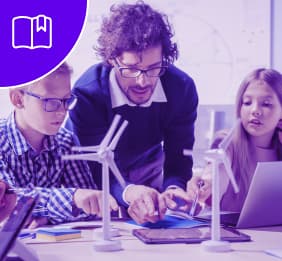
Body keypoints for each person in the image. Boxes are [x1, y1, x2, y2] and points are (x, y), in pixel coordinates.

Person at [66, 1, 198, 224]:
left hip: (148, 165)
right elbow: (96, 168)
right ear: (111, 59)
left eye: (153, 68)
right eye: (131, 69)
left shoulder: (181, 88)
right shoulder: (87, 95)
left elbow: (179, 157)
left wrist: (174, 188)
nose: (143, 81)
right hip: (92, 172)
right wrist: (129, 192)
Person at [0, 63, 118, 228]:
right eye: (51, 101)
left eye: (66, 100)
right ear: (18, 99)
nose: (62, 111)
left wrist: (48, 217)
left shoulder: (65, 141)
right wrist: (72, 198)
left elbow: (91, 204)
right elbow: (8, 200)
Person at [187, 68, 282, 213]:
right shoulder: (227, 142)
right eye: (247, 102)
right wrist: (207, 185)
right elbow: (216, 174)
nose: (255, 110)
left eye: (266, 104)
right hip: (232, 232)